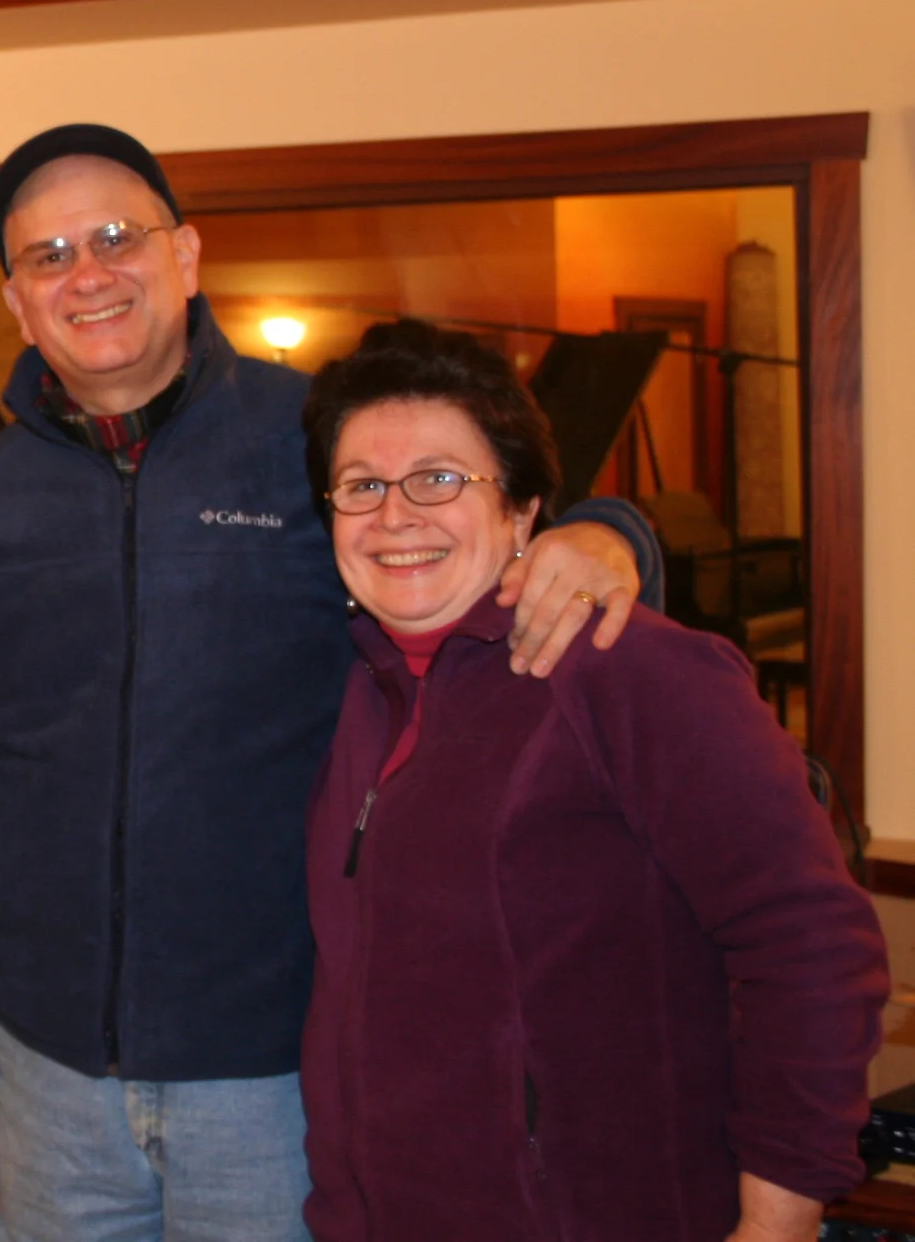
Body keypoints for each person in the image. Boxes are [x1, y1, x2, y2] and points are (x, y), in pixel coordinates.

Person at [0, 125, 664, 1242]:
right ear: (16, 299)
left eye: (116, 237)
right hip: (43, 1087)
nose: (87, 273)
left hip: (277, 1077)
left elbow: (490, 516)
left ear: (186, 253)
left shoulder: (310, 437)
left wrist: (609, 530)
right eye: (48, 255)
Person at [299, 319, 885, 1240]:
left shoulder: (628, 669)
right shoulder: (364, 689)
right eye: (361, 485)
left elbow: (810, 945)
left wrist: (777, 1224)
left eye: (439, 479)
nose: (395, 515)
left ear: (523, 511)